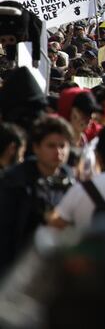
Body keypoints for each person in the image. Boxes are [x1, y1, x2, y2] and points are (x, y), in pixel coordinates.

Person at [0, 116, 74, 272]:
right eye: (51, 146)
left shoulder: (70, 179)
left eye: (63, 146)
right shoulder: (14, 181)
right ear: (36, 147)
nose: (58, 152)